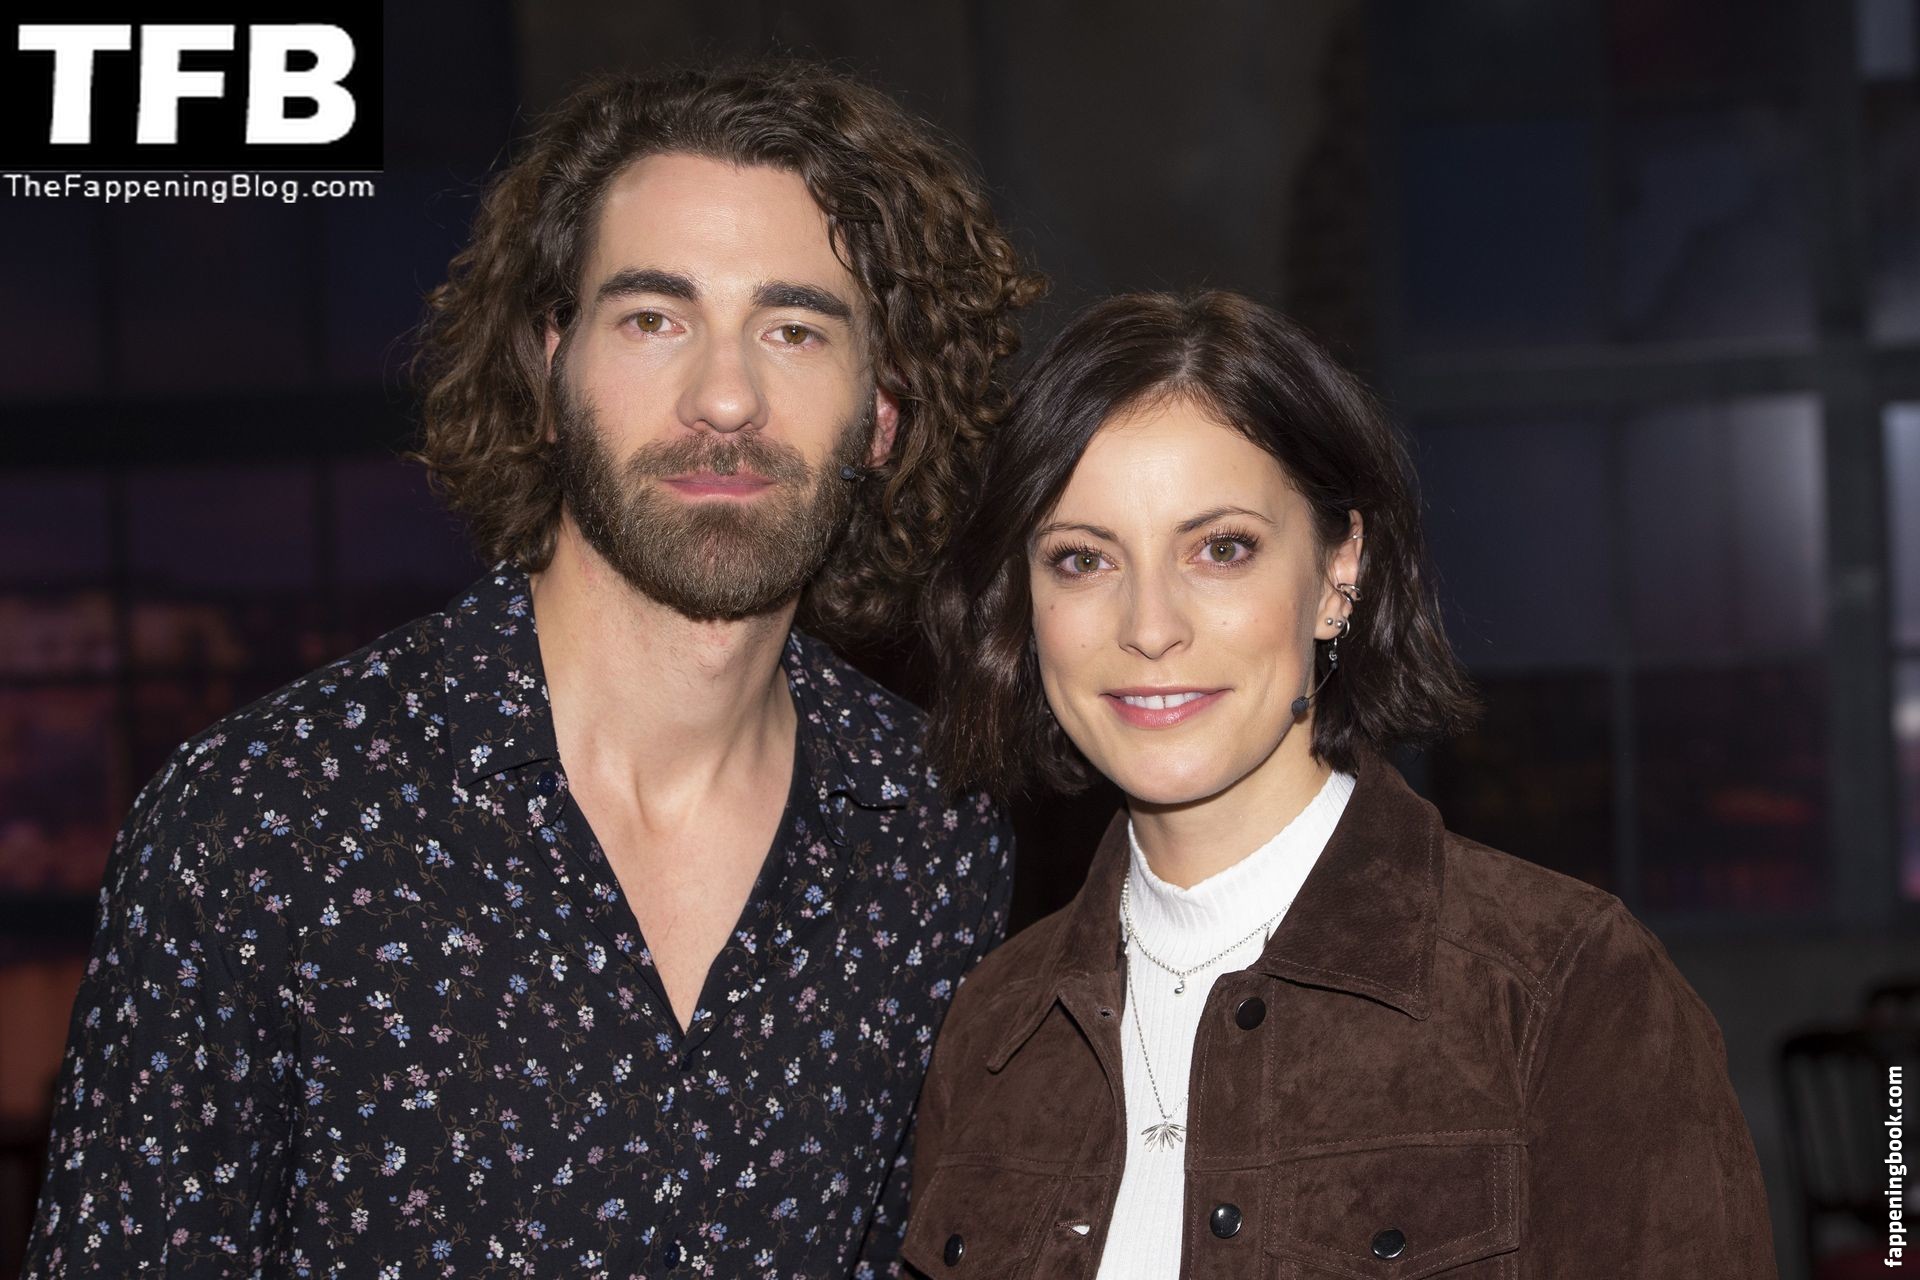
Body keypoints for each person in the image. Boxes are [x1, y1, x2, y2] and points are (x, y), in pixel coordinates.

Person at [24, 60, 1041, 1278]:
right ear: (551, 371)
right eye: (654, 318)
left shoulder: (935, 837)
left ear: (882, 411)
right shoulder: (259, 825)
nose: (725, 396)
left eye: (794, 328)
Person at [905, 291, 1777, 1278]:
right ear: (1027, 603)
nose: (1149, 626)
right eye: (1082, 559)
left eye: (1221, 548)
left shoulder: (1566, 988)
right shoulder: (991, 1026)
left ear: (1337, 571)